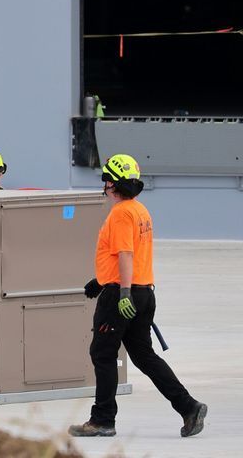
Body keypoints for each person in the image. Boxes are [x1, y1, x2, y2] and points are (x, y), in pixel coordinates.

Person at [69, 154, 207, 438]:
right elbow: (131, 255)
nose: (104, 185)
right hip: (144, 293)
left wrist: (121, 292)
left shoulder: (120, 214)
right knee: (143, 355)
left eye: (106, 180)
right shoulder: (140, 211)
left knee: (102, 354)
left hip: (123, 297)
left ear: (113, 184)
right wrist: (100, 280)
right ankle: (188, 406)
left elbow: (126, 254)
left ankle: (103, 420)